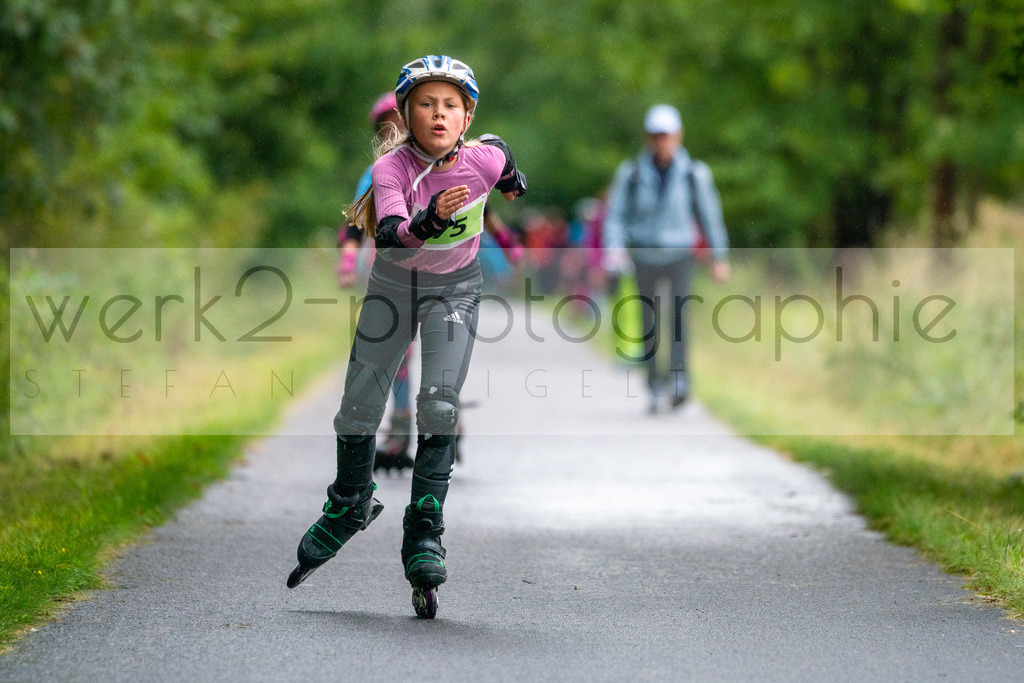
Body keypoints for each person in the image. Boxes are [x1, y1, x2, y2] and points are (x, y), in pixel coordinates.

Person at [287, 55, 527, 619]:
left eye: (451, 105)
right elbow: (392, 233)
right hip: (394, 287)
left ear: (466, 116)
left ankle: (424, 529)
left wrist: (514, 179)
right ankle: (348, 503)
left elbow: (503, 155)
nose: (438, 115)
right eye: (426, 104)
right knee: (355, 413)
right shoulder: (391, 169)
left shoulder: (484, 159)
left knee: (439, 407)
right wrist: (429, 222)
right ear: (404, 113)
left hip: (454, 291)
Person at [602, 104, 730, 414]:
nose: (662, 141)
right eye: (657, 136)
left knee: (678, 318)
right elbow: (616, 216)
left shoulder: (693, 173)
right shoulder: (631, 172)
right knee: (648, 322)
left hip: (680, 254)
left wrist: (719, 256)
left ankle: (679, 380)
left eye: (667, 135)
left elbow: (709, 215)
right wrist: (614, 249)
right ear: (648, 137)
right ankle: (655, 384)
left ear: (678, 136)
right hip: (644, 253)